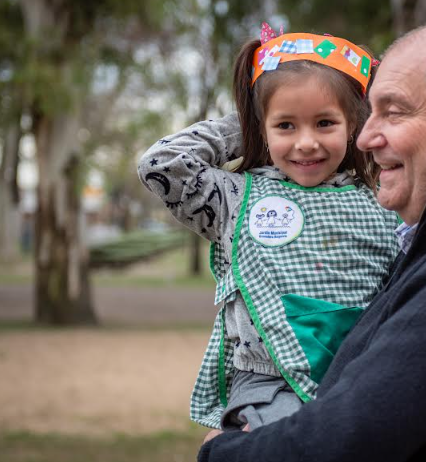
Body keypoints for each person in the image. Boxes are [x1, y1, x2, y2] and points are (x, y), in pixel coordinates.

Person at [197, 20, 426, 462]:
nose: (365, 137)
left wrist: (223, 452)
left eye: (393, 112)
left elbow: (344, 442)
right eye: (370, 112)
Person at [137, 25, 400, 441]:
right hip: (266, 388)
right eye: (287, 126)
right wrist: (250, 121)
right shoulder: (235, 200)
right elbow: (161, 165)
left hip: (359, 381)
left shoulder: (384, 201)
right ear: (262, 128)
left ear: (353, 124)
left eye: (325, 122)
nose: (307, 143)